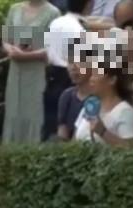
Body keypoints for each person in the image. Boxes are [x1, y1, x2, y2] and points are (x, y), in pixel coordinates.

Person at [2, 0, 61, 144]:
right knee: (13, 115)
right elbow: (5, 40)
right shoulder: (14, 9)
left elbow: (55, 48)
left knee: (35, 116)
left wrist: (27, 55)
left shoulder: (53, 13)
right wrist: (11, 50)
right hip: (15, 75)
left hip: (38, 74)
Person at [43, 0, 91, 140]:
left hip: (52, 75)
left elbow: (47, 51)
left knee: (51, 122)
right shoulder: (81, 29)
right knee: (72, 123)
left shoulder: (55, 22)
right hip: (71, 76)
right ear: (89, 4)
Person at [74, 65, 133, 145]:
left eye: (96, 74)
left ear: (112, 80)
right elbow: (73, 142)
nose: (91, 79)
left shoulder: (126, 112)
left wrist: (103, 132)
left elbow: (132, 150)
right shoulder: (88, 107)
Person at [55, 62, 91, 141]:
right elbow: (62, 133)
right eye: (70, 62)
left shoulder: (101, 98)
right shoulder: (67, 96)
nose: (73, 68)